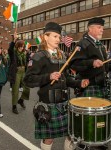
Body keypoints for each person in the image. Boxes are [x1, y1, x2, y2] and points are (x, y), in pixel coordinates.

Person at [23, 22, 89, 150]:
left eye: (59, 37)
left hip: (64, 104)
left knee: (72, 135)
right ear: (45, 37)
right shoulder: (39, 57)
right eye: (55, 36)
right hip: (49, 105)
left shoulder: (62, 56)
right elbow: (28, 80)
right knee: (49, 138)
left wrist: (78, 82)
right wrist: (48, 77)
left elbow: (66, 78)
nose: (58, 40)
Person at [70, 17, 109, 150]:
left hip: (101, 85)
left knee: (101, 115)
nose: (102, 30)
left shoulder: (100, 45)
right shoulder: (83, 44)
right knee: (87, 117)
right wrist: (91, 63)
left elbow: (105, 66)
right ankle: (83, 141)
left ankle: (99, 139)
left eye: (102, 28)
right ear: (90, 28)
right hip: (90, 85)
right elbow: (73, 64)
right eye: (99, 27)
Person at [8, 33, 30, 114]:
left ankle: (21, 100)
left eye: (22, 46)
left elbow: (27, 62)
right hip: (16, 72)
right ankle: (14, 106)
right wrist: (14, 40)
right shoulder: (13, 53)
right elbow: (10, 49)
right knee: (15, 90)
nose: (21, 48)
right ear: (17, 46)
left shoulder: (25, 53)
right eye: (20, 46)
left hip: (24, 71)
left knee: (27, 88)